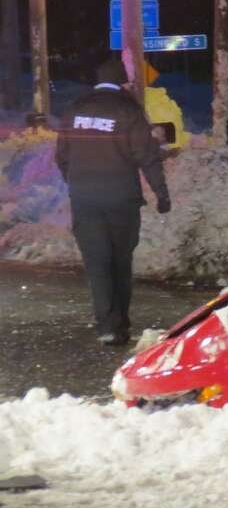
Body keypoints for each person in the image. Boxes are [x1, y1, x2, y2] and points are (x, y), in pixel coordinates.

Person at [54, 57, 171, 345]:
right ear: (122, 82)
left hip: (85, 200)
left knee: (97, 263)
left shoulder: (74, 110)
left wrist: (77, 184)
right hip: (122, 200)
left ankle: (106, 325)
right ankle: (120, 324)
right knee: (120, 261)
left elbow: (62, 157)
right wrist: (161, 193)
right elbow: (147, 156)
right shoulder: (128, 110)